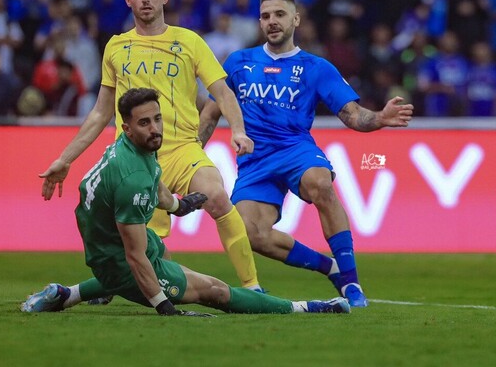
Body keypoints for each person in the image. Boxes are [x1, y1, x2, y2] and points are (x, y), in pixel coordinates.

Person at [22, 88, 349, 316]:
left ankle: (65, 295)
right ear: (127, 128)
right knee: (215, 291)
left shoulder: (134, 146)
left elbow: (156, 182)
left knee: (159, 252)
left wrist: (178, 206)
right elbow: (135, 258)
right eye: (144, 123)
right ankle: (305, 307)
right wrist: (164, 306)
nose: (155, 129)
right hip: (117, 256)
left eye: (157, 119)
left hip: (109, 242)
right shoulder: (130, 179)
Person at [40, 0, 262, 291]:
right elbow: (101, 113)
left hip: (183, 149)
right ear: (128, 0)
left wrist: (239, 130)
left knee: (216, 195)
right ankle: (99, 289)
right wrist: (66, 158)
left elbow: (222, 92)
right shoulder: (116, 47)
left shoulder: (189, 41)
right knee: (156, 262)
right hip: (136, 162)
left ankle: (253, 287)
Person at [198, 0, 415, 308]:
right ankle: (332, 268)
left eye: (280, 14)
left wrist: (380, 117)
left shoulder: (316, 67)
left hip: (295, 150)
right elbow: (210, 114)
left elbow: (352, 115)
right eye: (266, 16)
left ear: (296, 20)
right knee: (251, 234)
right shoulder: (238, 63)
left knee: (320, 183)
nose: (273, 21)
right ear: (260, 21)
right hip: (254, 161)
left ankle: (352, 282)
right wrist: (191, 157)